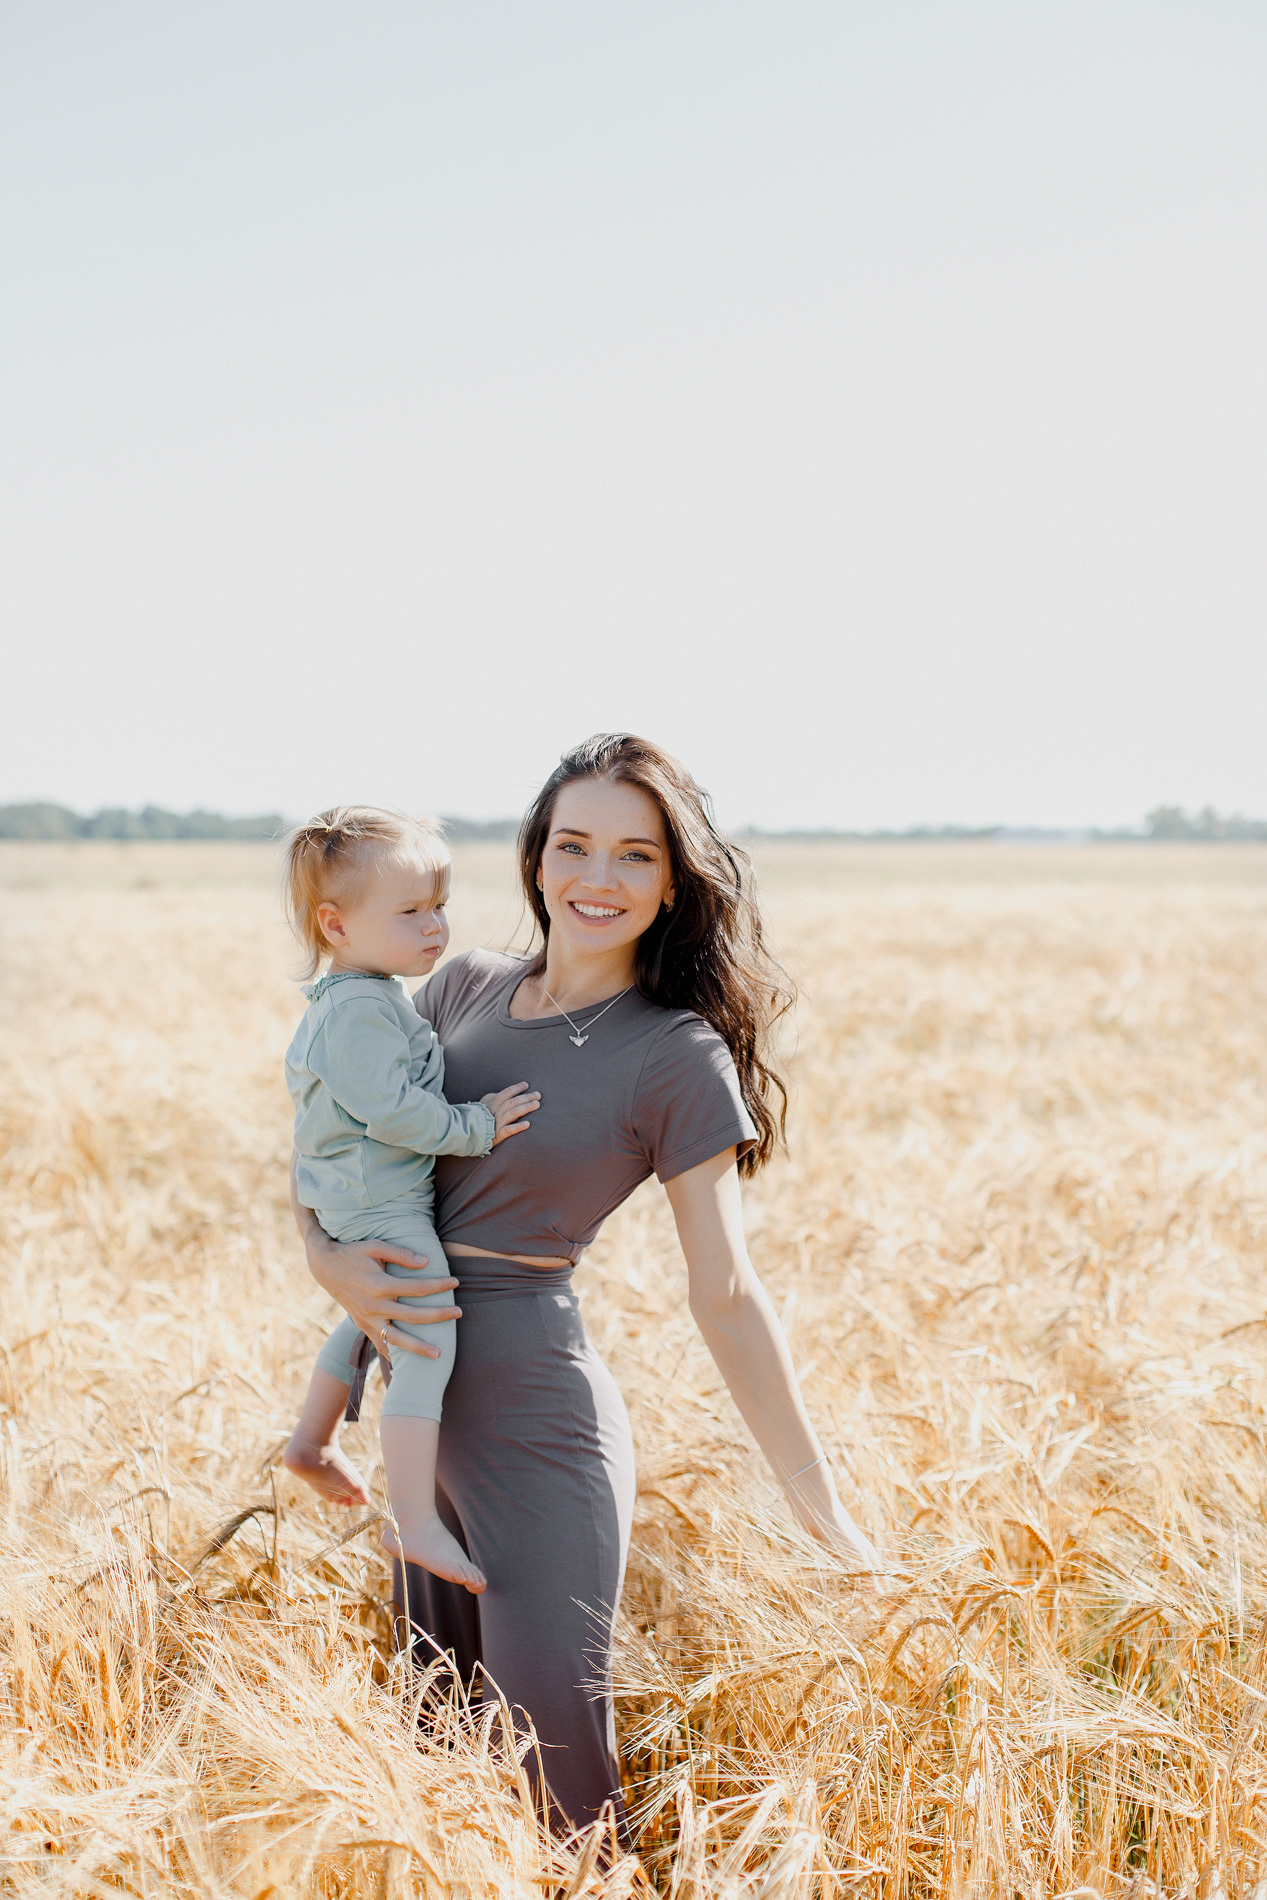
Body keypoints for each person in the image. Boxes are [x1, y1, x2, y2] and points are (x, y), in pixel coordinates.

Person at [291, 737, 883, 1840]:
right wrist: (323, 1256)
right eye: (573, 844)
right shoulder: (460, 982)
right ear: (535, 856)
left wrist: (822, 1509)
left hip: (532, 1425)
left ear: (672, 883)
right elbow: (337, 1136)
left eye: (633, 854)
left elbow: (728, 1292)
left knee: (559, 1777)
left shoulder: (673, 1054)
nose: (596, 878)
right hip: (422, 1416)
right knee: (440, 1761)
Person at [279, 806, 540, 1593]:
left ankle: (310, 1441)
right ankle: (416, 1521)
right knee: (425, 1343)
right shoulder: (359, 1009)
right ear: (336, 924)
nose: (434, 927)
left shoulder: (361, 993)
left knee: (370, 1317)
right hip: (379, 1204)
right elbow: (391, 1109)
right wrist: (476, 1125)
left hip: (360, 1196)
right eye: (409, 912)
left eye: (439, 906)